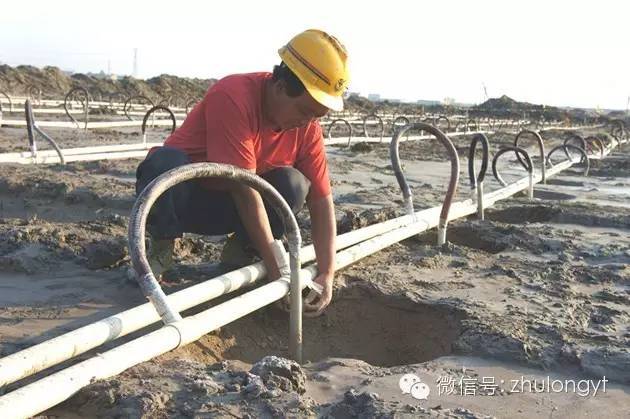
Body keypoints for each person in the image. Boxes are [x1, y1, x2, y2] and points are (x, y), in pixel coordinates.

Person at [134, 29, 350, 316]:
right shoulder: (234, 96)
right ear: (282, 86)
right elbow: (244, 189)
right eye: (305, 110)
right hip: (188, 199)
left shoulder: (307, 128)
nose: (307, 122)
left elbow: (322, 202)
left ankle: (241, 251)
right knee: (163, 163)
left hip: (236, 209)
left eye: (317, 116)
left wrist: (327, 273)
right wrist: (281, 273)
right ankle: (162, 247)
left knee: (294, 184)